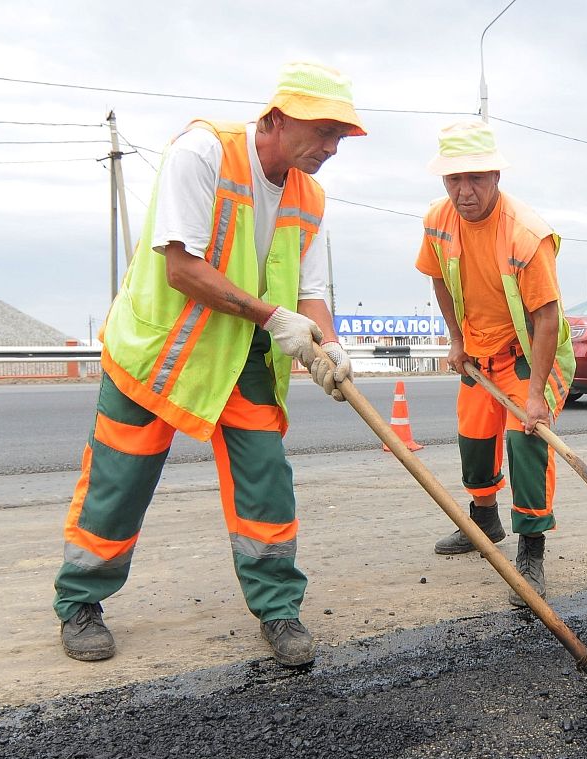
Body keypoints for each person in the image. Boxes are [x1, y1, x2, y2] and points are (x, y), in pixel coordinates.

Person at [53, 62, 365, 667]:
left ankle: (278, 609)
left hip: (244, 354)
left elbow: (312, 293)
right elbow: (181, 268)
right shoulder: (201, 153)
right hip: (160, 350)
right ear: (275, 119)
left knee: (265, 482)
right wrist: (276, 319)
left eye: (340, 137)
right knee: (120, 480)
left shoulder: (310, 194)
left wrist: (328, 346)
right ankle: (81, 602)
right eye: (325, 131)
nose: (332, 147)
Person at [416, 121, 576, 607]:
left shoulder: (526, 234)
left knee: (525, 444)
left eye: (475, 180)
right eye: (453, 180)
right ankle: (483, 520)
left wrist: (534, 397)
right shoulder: (438, 220)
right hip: (478, 355)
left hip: (526, 355)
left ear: (496, 176)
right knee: (475, 442)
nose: (464, 192)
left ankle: (532, 550)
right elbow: (439, 280)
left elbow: (545, 318)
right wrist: (457, 340)